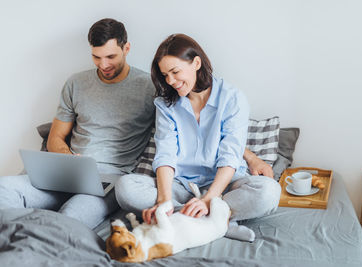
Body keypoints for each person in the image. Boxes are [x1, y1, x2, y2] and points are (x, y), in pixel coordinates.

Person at [115, 34, 281, 242]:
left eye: (175, 72)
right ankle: (217, 221)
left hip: (227, 186)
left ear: (196, 63)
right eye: (165, 75)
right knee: (125, 188)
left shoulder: (232, 98)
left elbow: (230, 156)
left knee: (269, 192)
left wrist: (209, 199)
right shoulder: (166, 105)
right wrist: (164, 200)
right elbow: (165, 154)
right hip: (182, 186)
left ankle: (199, 215)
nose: (170, 81)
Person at [0, 18, 155, 229]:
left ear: (126, 48)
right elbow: (55, 137)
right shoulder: (76, 83)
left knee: (68, 220)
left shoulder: (150, 87)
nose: (103, 65)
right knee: (3, 189)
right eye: (96, 57)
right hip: (67, 172)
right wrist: (69, 160)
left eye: (111, 56)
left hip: (108, 180)